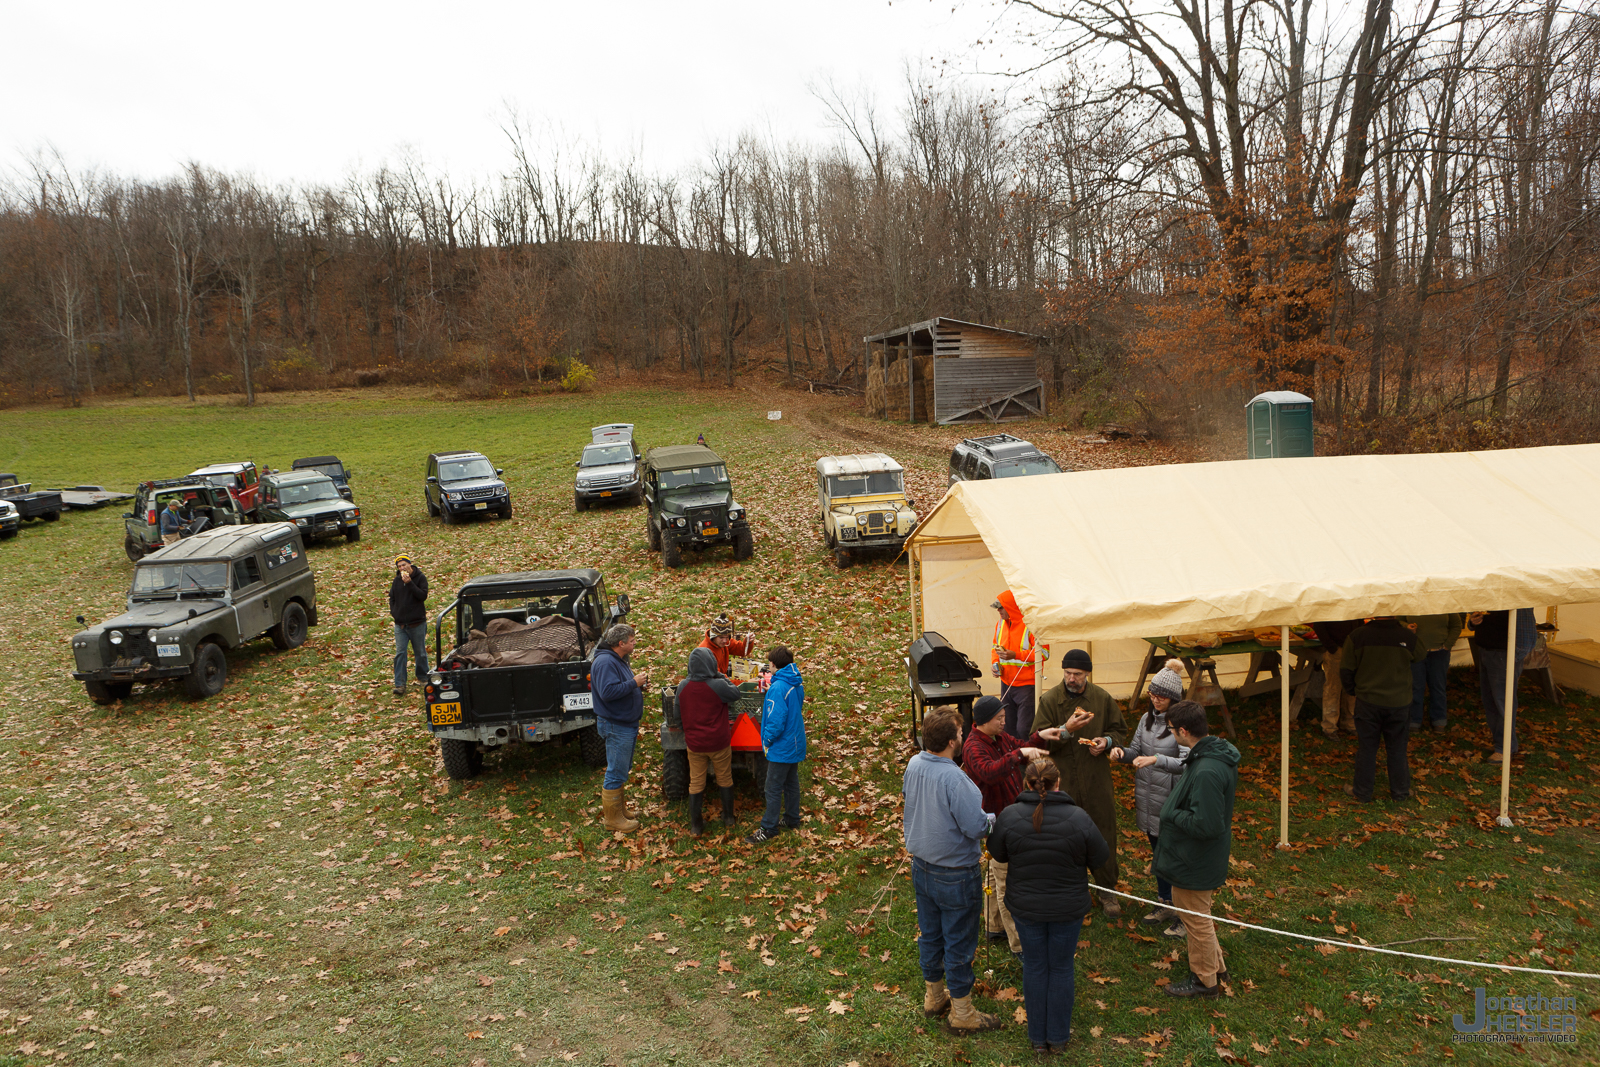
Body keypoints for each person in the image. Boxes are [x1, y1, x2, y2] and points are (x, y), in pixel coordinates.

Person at [988, 758, 1108, 1055]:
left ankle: (1039, 1038)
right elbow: (1101, 857)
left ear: (1026, 784)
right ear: (1058, 784)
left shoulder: (1010, 815)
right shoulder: (1078, 817)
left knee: (1036, 966)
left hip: (1027, 908)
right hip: (1067, 908)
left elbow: (997, 853)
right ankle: (1057, 1037)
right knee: (1061, 967)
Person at [903, 709, 1003, 1035]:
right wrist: (993, 819)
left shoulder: (914, 764)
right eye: (960, 733)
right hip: (956, 876)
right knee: (959, 943)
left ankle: (933, 996)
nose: (963, 737)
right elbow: (976, 827)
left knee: (931, 935)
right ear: (950, 741)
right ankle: (962, 1012)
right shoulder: (956, 780)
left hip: (922, 869)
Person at [1154, 699, 1240, 999]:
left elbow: (1207, 825)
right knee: (1199, 914)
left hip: (1196, 860)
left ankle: (1205, 981)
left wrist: (1170, 813)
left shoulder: (1206, 770)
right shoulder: (1208, 755)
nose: (1172, 734)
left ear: (1183, 730)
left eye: (1172, 730)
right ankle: (1216, 967)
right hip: (1197, 857)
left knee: (1195, 919)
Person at [1034, 648, 1127, 918]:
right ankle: (1070, 889)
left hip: (1096, 779)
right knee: (1064, 836)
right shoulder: (1050, 700)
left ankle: (1107, 889)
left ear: (1087, 674)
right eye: (1067, 673)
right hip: (1064, 781)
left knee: (1103, 832)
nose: (1071, 679)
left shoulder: (1101, 698)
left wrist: (1106, 742)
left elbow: (1118, 729)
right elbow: (1037, 739)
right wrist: (1066, 731)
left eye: (1076, 674)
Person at [960, 695, 1048, 958]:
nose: (1004, 721)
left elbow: (1024, 746)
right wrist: (1017, 756)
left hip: (1010, 816)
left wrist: (1043, 735)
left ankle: (993, 924)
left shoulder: (1001, 738)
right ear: (984, 721)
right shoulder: (973, 746)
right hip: (996, 821)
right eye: (999, 718)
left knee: (996, 869)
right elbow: (989, 771)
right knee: (1007, 881)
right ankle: (1020, 944)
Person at [1111, 659, 1190, 935]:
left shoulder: (1181, 724)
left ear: (1174, 699)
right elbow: (1135, 750)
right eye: (1153, 694)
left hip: (1170, 802)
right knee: (1158, 857)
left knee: (1175, 859)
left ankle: (1185, 915)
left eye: (1162, 696)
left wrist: (1155, 759)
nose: (1156, 699)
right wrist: (1122, 754)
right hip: (1147, 800)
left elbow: (1185, 763)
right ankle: (1164, 902)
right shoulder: (1146, 720)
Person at [1340, 617, 1422, 804]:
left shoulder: (1357, 635)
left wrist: (1354, 690)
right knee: (1398, 748)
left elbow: (1346, 669)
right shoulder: (1406, 635)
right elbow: (1420, 655)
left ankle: (1362, 792)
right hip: (1399, 702)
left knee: (1367, 748)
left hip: (1368, 701)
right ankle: (1400, 791)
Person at [676, 647, 742, 836]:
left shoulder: (682, 686)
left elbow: (677, 716)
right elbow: (736, 694)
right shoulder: (717, 685)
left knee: (696, 782)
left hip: (695, 744)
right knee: (725, 777)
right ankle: (728, 817)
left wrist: (688, 731)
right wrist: (721, 676)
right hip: (718, 742)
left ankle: (696, 825)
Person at [592, 623, 651, 833]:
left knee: (621, 769)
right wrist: (633, 683)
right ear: (621, 643)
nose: (635, 643)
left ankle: (619, 810)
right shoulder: (606, 662)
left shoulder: (618, 659)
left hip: (624, 723)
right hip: (616, 725)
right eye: (632, 640)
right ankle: (612, 819)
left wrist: (637, 685)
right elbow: (607, 692)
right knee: (616, 771)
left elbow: (620, 686)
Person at [748, 645, 806, 844]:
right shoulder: (796, 682)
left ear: (773, 665)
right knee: (791, 783)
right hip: (796, 742)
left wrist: (768, 740)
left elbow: (775, 720)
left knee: (772, 787)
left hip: (782, 746)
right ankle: (792, 818)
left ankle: (769, 827)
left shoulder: (777, 688)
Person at [1469, 608, 1537, 762]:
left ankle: (1505, 748)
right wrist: (1473, 622)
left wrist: (1512, 657)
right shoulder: (1491, 593)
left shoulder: (1517, 598)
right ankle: (1501, 742)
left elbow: (1527, 635)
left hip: (1502, 654)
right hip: (1486, 651)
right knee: (1490, 701)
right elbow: (1474, 620)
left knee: (1503, 702)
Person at [990, 591, 1049, 740]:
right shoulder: (999, 625)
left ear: (1011, 607)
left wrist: (1015, 655)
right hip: (1006, 684)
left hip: (1027, 686)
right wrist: (995, 664)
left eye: (1001, 608)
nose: (998, 611)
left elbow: (1044, 653)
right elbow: (995, 648)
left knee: (1024, 730)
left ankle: (1027, 761)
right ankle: (1012, 761)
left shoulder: (1032, 625)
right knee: (1007, 729)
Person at [1405, 613, 1465, 732]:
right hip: (1416, 651)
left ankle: (1439, 720)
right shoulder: (1410, 601)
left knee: (1438, 686)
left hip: (1439, 652)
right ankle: (1414, 720)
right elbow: (1398, 621)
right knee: (1415, 686)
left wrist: (1448, 645)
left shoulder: (1444, 600)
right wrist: (1406, 626)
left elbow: (1456, 625)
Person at [1310, 620, 1361, 738]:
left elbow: (1359, 623)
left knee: (1352, 688)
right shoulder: (1329, 604)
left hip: (1352, 650)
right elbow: (1319, 625)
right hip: (1336, 649)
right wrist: (1331, 647)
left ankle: (1349, 723)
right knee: (1333, 688)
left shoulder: (1355, 604)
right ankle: (1329, 726)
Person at [388, 555, 429, 697]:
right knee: (400, 653)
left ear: (410, 565)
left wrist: (410, 583)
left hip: (417, 623)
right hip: (401, 625)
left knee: (420, 653)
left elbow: (422, 596)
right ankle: (400, 684)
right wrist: (395, 613)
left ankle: (423, 677)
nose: (402, 568)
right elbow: (392, 598)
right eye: (399, 567)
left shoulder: (420, 578)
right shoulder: (396, 581)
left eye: (404, 565)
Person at [697, 613, 755, 677]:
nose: (725, 641)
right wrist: (746, 682)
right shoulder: (706, 653)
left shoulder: (723, 642)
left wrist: (748, 642)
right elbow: (718, 680)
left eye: (727, 637)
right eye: (721, 637)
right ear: (713, 636)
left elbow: (742, 650)